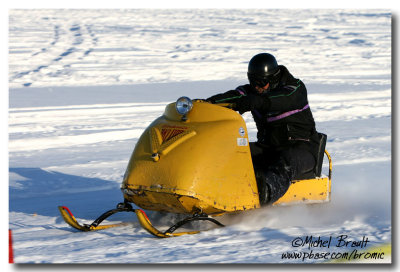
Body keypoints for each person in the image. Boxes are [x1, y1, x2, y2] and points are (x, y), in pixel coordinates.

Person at [206, 53, 320, 205]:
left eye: (261, 82)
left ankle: (263, 196)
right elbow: (234, 96)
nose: (256, 87)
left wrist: (253, 101)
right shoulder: (254, 92)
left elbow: (274, 100)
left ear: (273, 79)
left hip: (302, 150)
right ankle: (206, 191)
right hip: (268, 148)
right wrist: (207, 103)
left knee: (284, 162)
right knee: (233, 153)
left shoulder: (295, 89)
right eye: (252, 81)